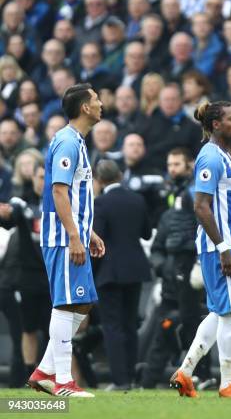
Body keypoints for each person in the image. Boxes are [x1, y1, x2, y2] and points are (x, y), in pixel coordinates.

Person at [28, 83, 106, 397]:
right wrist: (74, 235)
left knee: (83, 302)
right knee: (66, 302)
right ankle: (63, 381)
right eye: (97, 99)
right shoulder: (66, 142)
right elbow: (59, 191)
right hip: (62, 238)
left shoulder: (76, 141)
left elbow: (73, 196)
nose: (101, 103)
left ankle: (44, 372)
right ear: (85, 107)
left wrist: (87, 231)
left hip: (73, 234)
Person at [170, 100, 231, 399]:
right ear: (216, 124)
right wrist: (224, 249)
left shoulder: (224, 155)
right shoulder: (210, 158)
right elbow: (200, 207)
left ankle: (185, 372)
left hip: (229, 245)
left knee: (220, 312)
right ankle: (227, 382)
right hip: (221, 247)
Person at [141, 148, 208, 389]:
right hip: (171, 278)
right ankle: (150, 382)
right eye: (170, 164)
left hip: (188, 274)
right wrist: (161, 267)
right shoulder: (171, 204)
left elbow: (199, 232)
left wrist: (197, 263)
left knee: (189, 325)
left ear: (189, 165)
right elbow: (158, 246)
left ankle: (201, 375)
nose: (172, 169)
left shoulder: (194, 195)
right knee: (170, 329)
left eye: (177, 164)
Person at [92, 159, 152, 391]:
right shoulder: (137, 199)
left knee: (112, 327)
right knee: (129, 325)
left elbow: (97, 241)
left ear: (99, 180)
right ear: (119, 175)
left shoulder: (101, 203)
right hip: (135, 269)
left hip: (109, 273)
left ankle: (120, 380)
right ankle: (132, 377)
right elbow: (146, 234)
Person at [0, 162, 50, 382]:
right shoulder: (23, 204)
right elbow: (10, 217)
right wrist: (6, 214)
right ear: (33, 179)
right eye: (40, 177)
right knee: (27, 329)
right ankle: (32, 377)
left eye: (47, 177)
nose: (43, 182)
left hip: (53, 276)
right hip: (28, 278)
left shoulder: (64, 205)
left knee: (55, 332)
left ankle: (56, 376)